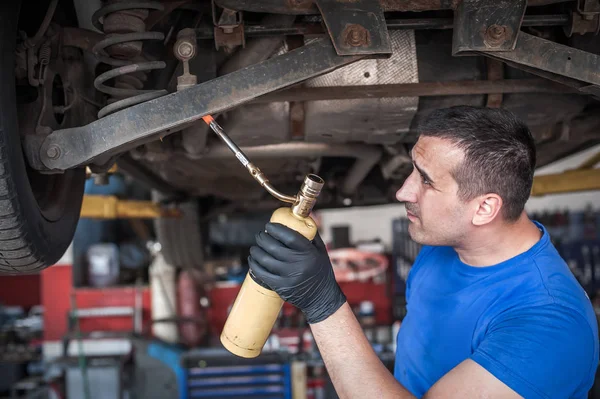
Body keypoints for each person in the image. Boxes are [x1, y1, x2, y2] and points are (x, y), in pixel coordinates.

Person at [248, 106, 599, 398]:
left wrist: (322, 302)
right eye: (413, 172)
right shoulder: (444, 246)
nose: (402, 191)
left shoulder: (550, 325)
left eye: (427, 180)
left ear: (484, 208)